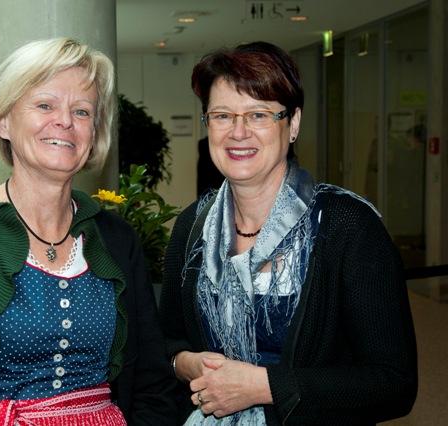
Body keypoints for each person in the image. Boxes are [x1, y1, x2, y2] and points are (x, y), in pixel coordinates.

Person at [0, 37, 177, 426]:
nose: (65, 122)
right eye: (45, 105)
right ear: (3, 121)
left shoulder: (115, 239)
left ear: (94, 133)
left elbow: (151, 382)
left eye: (82, 111)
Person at [158, 41, 418, 425]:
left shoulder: (347, 226)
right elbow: (166, 343)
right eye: (223, 115)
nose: (239, 132)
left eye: (258, 114)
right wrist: (185, 363)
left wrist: (265, 386)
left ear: (293, 123)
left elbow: (394, 383)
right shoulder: (191, 227)